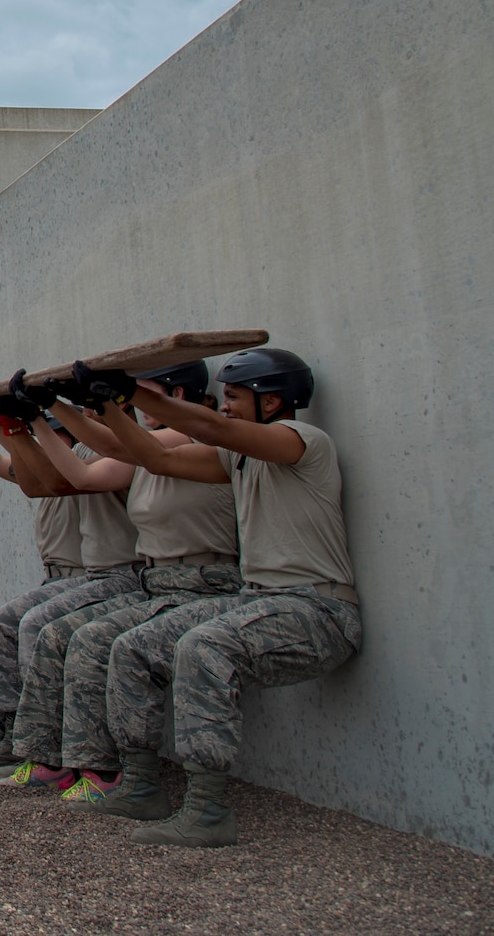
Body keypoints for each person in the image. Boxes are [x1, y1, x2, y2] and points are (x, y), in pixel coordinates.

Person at [92, 348, 360, 848]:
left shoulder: (302, 441)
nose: (225, 406)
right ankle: (143, 786)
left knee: (203, 647)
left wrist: (128, 393)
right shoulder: (240, 456)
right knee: (134, 646)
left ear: (274, 400)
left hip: (318, 611)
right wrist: (97, 405)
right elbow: (153, 455)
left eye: (233, 397)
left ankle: (208, 810)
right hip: (257, 602)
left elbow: (211, 428)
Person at [2, 361, 242, 803]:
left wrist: (55, 409)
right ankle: (65, 761)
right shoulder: (144, 448)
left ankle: (108, 773)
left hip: (203, 578)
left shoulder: (184, 438)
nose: (132, 401)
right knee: (61, 633)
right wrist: (33, 417)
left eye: (140, 392)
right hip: (159, 580)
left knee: (93, 641)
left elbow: (117, 448)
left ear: (178, 394)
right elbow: (83, 474)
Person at [0, 383, 144, 790]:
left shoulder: (106, 454)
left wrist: (30, 418)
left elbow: (61, 477)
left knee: (43, 629)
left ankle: (64, 758)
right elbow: (26, 474)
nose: (86, 417)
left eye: (90, 411)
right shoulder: (87, 452)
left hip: (118, 576)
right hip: (91, 577)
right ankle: (13, 740)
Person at [0, 405, 88, 769]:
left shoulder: (82, 470)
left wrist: (3, 424)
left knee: (14, 625)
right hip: (56, 578)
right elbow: (0, 463)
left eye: (51, 437)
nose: (38, 447)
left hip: (84, 577)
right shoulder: (40, 475)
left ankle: (23, 739)